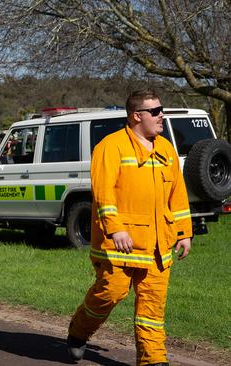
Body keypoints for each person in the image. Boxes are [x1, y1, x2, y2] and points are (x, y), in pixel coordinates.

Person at [66, 89, 192, 365]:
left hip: (159, 245)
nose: (162, 116)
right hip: (121, 244)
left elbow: (178, 195)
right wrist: (116, 228)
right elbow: (103, 194)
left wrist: (183, 232)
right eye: (155, 111)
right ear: (137, 116)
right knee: (110, 294)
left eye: (162, 110)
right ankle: (78, 332)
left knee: (152, 307)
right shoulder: (111, 147)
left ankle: (153, 359)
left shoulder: (166, 150)